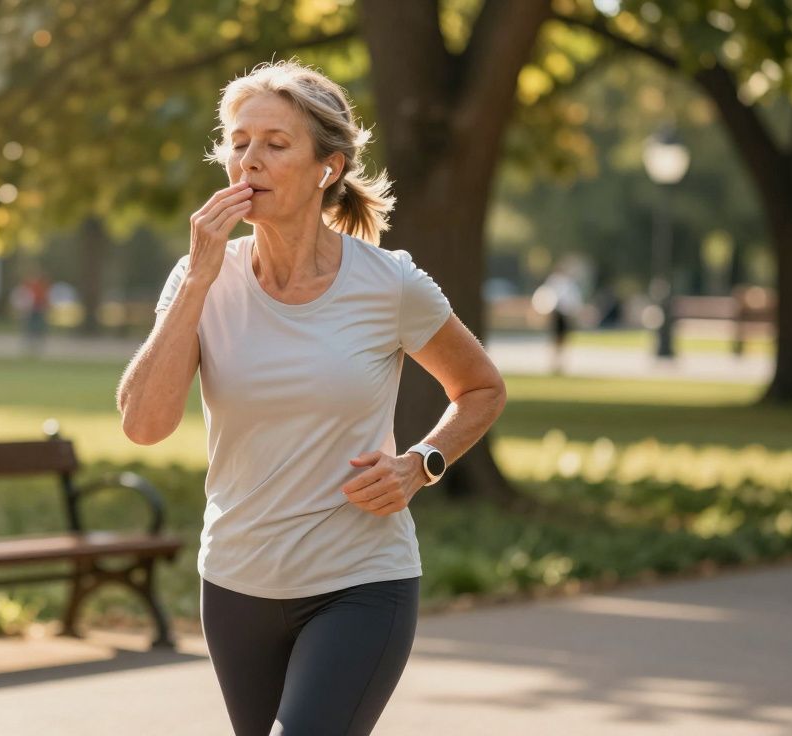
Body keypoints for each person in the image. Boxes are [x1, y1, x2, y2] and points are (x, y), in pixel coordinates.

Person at [116, 60, 507, 735]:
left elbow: (480, 388)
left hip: (361, 580)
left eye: (274, 144)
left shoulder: (388, 284)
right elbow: (145, 424)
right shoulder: (201, 279)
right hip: (237, 581)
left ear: (328, 166)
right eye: (238, 142)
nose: (249, 161)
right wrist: (198, 281)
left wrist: (422, 463)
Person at [532, 264, 584, 375]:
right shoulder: (554, 281)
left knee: (563, 339)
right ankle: (554, 363)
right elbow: (546, 297)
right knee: (556, 339)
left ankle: (560, 363)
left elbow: (572, 300)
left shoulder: (568, 283)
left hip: (565, 314)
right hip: (556, 313)